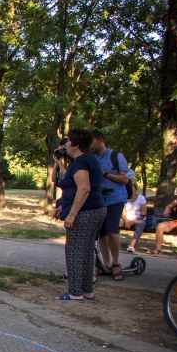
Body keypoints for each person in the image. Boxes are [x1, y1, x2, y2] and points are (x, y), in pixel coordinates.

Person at [52, 128, 106, 301]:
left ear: (75, 145)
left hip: (86, 212)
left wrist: (72, 214)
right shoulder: (89, 159)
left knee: (74, 250)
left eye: (68, 141)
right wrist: (64, 207)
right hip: (95, 209)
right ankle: (87, 291)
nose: (66, 144)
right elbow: (76, 189)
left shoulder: (81, 161)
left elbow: (84, 189)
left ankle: (75, 292)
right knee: (87, 251)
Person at [91, 131, 131, 280]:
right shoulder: (93, 158)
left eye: (92, 142)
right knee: (102, 232)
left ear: (100, 140)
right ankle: (105, 263)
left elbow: (124, 179)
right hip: (99, 199)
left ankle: (116, 263)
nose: (90, 145)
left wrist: (105, 174)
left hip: (116, 198)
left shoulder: (116, 156)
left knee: (112, 231)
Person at [150, 186, 177, 257]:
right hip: (176, 221)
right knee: (160, 226)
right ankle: (158, 249)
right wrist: (167, 209)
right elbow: (169, 206)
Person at [121, 187, 147, 253]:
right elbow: (123, 212)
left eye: (132, 188)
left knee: (140, 224)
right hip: (126, 219)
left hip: (138, 219)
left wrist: (133, 221)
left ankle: (132, 245)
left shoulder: (141, 198)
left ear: (136, 189)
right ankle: (114, 243)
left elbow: (143, 214)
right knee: (116, 222)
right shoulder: (124, 197)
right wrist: (126, 220)